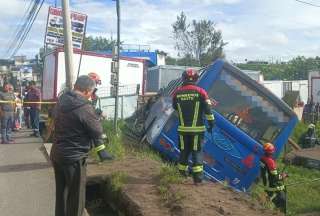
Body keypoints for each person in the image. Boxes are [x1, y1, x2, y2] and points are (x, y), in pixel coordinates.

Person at [50, 75, 110, 216]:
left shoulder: (61, 101)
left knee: (62, 193)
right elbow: (97, 130)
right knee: (76, 197)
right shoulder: (84, 107)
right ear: (88, 91)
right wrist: (97, 116)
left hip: (57, 154)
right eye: (92, 92)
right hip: (74, 158)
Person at [172, 68, 215, 184]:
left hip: (183, 129)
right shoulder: (201, 92)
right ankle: (198, 178)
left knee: (184, 151)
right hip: (197, 130)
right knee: (197, 152)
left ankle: (181, 175)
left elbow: (175, 107)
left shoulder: (177, 92)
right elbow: (208, 110)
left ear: (183, 78)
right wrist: (211, 123)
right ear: (196, 79)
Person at [260, 143, 287, 213]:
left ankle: (264, 205)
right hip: (272, 183)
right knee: (282, 196)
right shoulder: (270, 162)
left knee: (269, 195)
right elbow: (276, 177)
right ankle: (275, 211)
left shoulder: (262, 158)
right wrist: (283, 176)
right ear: (272, 152)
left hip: (266, 182)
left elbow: (270, 172)